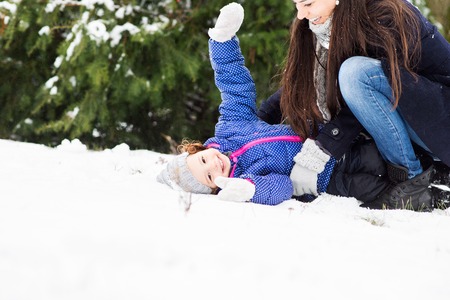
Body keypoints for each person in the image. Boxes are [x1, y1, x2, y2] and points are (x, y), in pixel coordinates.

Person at [157, 3, 396, 208]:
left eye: (203, 160)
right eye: (210, 176)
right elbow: (281, 186)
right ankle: (417, 197)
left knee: (375, 158)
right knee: (369, 188)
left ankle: (420, 168)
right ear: (213, 189)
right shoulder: (244, 177)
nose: (214, 164)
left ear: (199, 150)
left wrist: (222, 42)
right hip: (324, 179)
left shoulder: (230, 128)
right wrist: (250, 190)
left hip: (326, 142)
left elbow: (234, 88)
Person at [257, 0, 450, 210]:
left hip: (442, 123)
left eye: (308, 3)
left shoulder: (385, 16)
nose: (302, 14)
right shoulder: (325, 27)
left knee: (355, 74)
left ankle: (410, 183)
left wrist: (322, 149)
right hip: (421, 127)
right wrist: (252, 125)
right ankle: (425, 173)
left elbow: (363, 98)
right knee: (353, 75)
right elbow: (302, 84)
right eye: (297, 4)